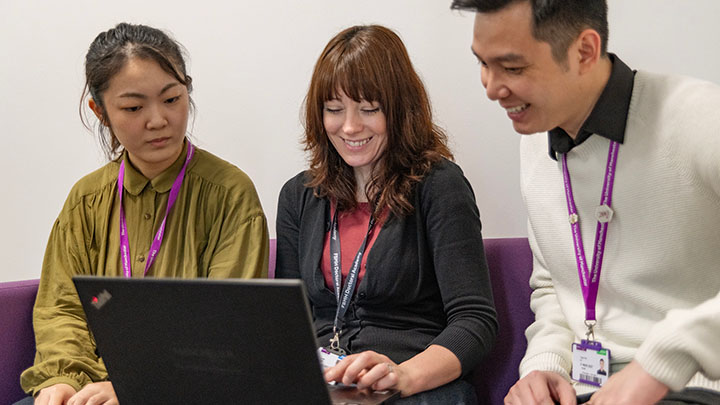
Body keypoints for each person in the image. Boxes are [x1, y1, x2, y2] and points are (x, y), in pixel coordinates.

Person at [450, 0, 720, 404]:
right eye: (482, 64)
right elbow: (554, 287)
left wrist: (660, 363)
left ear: (584, 51)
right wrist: (544, 366)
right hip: (587, 389)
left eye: (512, 67)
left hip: (696, 385)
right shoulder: (535, 139)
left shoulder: (701, 117)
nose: (491, 88)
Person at [17, 23, 269, 405]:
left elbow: (225, 325)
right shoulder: (86, 200)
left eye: (172, 99)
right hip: (93, 388)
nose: (158, 120)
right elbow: (62, 308)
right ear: (100, 112)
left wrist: (136, 386)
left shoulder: (229, 194)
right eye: (134, 107)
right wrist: (62, 379)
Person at [275, 25, 497, 403]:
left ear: (399, 110)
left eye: (369, 109)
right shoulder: (300, 195)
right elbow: (286, 324)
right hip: (327, 387)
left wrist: (403, 376)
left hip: (416, 384)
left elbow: (475, 322)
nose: (349, 126)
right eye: (334, 109)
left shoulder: (439, 185)